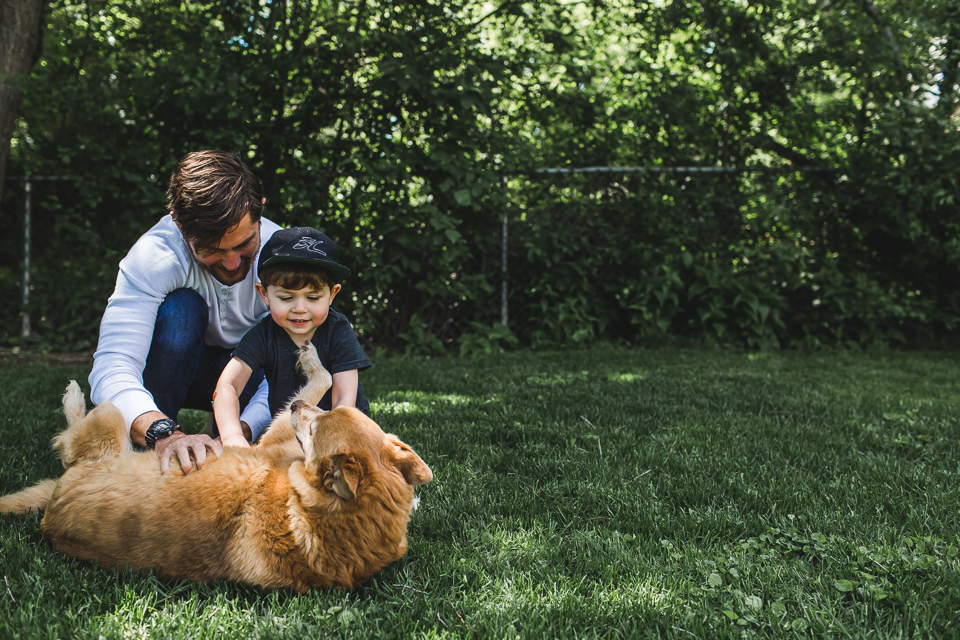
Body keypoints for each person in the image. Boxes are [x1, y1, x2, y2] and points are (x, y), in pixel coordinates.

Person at [89, 150, 281, 474]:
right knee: (181, 310)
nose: (233, 264)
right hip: (176, 370)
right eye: (212, 249)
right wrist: (163, 434)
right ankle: (154, 454)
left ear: (260, 208)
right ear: (180, 227)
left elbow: (295, 361)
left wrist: (239, 433)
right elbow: (113, 365)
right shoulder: (156, 255)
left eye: (244, 244)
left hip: (250, 376)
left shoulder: (282, 255)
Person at [213, 227, 371, 448]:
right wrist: (233, 438)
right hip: (292, 432)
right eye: (286, 297)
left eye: (313, 297)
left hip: (343, 431)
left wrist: (331, 444)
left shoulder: (338, 331)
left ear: (332, 294)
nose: (300, 308)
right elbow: (227, 385)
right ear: (264, 294)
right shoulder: (264, 334)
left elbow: (344, 401)